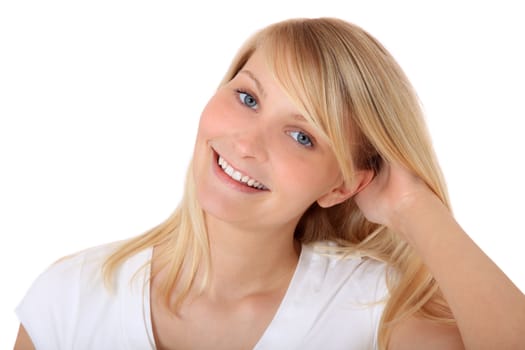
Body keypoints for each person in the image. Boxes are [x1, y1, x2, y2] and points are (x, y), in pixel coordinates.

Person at [13, 17, 525, 350]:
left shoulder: (374, 311)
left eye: (302, 136)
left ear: (341, 187)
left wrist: (415, 206)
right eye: (249, 99)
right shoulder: (71, 296)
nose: (247, 143)